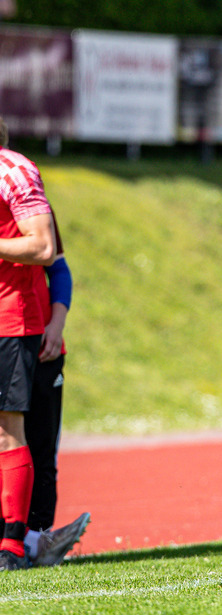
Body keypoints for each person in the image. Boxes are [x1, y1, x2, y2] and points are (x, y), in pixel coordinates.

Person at [0, 115, 57, 571]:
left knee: (7, 430)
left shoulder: (14, 170)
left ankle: (13, 543)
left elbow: (44, 248)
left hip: (9, 319)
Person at [22, 234, 91, 567]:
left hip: (45, 348)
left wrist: (57, 323)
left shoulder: (35, 206)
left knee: (43, 448)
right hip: (11, 343)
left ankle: (40, 537)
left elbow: (59, 269)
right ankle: (19, 540)